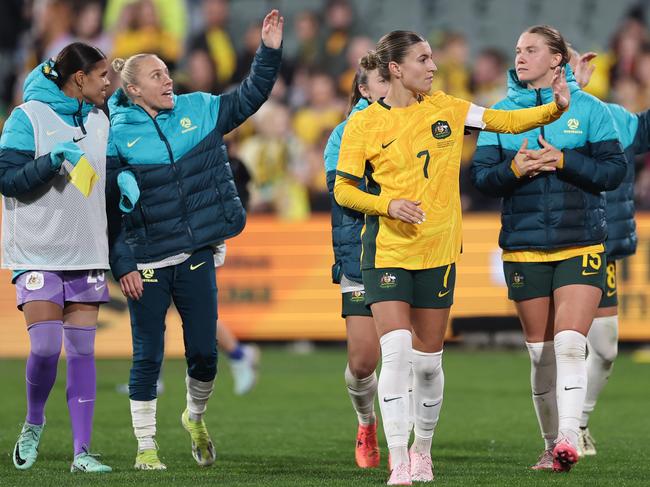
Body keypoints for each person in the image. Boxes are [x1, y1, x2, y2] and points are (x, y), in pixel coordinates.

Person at [334, 29, 571, 485]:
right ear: (397, 68)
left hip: (438, 250)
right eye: (424, 59)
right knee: (396, 353)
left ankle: (424, 450)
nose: (434, 67)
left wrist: (554, 108)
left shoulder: (446, 107)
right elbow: (344, 188)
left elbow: (504, 122)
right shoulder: (363, 124)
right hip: (387, 250)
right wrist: (387, 204)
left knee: (427, 363)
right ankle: (399, 462)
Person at [105, 9, 283, 470]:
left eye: (166, 72)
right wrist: (121, 263)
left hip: (196, 254)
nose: (167, 80)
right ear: (133, 89)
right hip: (146, 259)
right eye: (155, 76)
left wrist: (268, 51)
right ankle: (146, 447)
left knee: (204, 354)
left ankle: (195, 417)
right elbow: (106, 209)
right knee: (148, 355)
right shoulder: (115, 136)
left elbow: (251, 96)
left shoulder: (199, 108)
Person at [471, 26, 626, 473]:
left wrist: (564, 160)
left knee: (571, 344)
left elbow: (613, 171)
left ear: (557, 59)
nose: (520, 57)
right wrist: (515, 167)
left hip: (580, 242)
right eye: (518, 50)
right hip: (524, 246)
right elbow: (479, 179)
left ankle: (567, 439)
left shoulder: (590, 109)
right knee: (542, 353)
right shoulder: (498, 115)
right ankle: (549, 443)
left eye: (531, 50)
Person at [0, 42, 112, 473]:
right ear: (79, 78)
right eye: (101, 75)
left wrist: (121, 186)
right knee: (46, 349)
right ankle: (33, 423)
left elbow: (108, 172)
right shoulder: (26, 118)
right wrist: (52, 161)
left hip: (86, 252)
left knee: (82, 353)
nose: (108, 83)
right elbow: (7, 179)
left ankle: (82, 453)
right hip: (37, 250)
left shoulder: (101, 120)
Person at [570, 49, 647, 457]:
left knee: (604, 348)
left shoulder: (613, 115)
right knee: (555, 347)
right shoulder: (528, 114)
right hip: (554, 245)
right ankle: (561, 433)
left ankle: (579, 422)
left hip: (600, 247)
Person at [324, 54, 389, 469]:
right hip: (364, 251)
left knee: (414, 356)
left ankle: (412, 445)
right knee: (363, 361)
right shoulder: (345, 133)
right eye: (379, 80)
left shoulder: (420, 119)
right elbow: (341, 193)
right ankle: (367, 423)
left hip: (415, 249)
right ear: (364, 90)